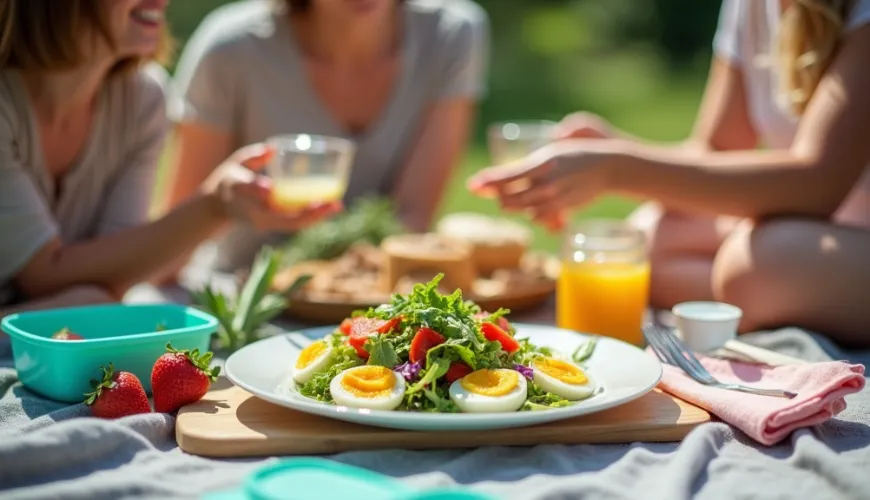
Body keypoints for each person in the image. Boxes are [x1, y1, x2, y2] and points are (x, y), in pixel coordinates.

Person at [468, 0, 870, 346]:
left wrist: (617, 168)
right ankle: (758, 301)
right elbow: (714, 152)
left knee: (759, 262)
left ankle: (753, 297)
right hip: (820, 228)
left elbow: (817, 182)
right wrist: (615, 148)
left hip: (838, 229)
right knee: (644, 238)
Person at [0, 0, 339, 318]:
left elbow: (115, 276)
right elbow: (43, 275)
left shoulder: (141, 101)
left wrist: (222, 204)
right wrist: (213, 206)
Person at [164, 0, 489, 273]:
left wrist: (334, 286)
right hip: (240, 293)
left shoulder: (451, 35)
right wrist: (220, 206)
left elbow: (411, 217)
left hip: (374, 299)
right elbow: (171, 249)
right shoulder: (231, 48)